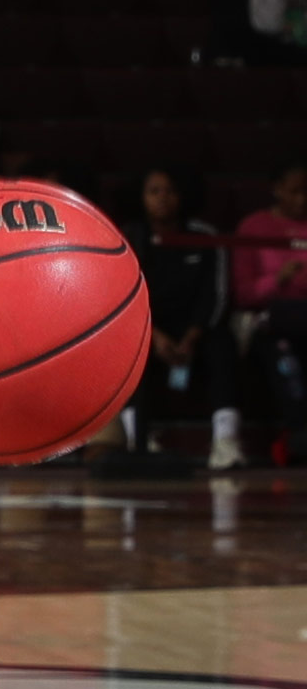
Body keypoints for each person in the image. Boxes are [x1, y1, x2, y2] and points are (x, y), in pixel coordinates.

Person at [127, 166, 241, 469]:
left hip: (197, 329)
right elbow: (122, 297)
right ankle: (137, 439)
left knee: (223, 345)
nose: (163, 198)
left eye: (170, 191)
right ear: (141, 197)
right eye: (154, 191)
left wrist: (192, 335)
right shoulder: (129, 238)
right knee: (124, 349)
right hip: (147, 328)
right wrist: (154, 337)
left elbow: (216, 296)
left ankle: (225, 441)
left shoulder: (205, 237)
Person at [231, 158, 307, 452]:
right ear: (278, 190)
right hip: (270, 321)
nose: (302, 200)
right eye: (294, 191)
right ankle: (299, 433)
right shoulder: (254, 226)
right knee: (282, 351)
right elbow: (244, 293)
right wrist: (278, 280)